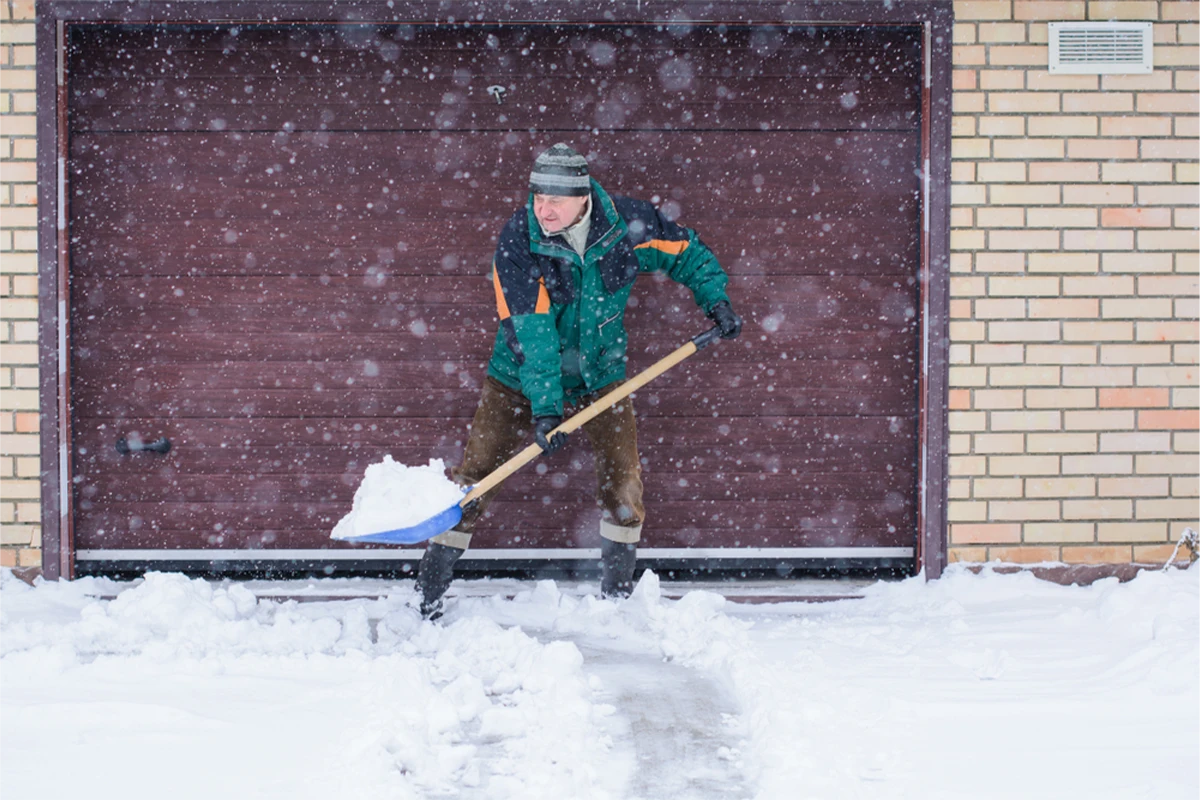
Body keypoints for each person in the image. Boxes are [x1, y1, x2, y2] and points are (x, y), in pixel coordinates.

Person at [414, 143, 742, 619]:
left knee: (624, 481)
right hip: (519, 376)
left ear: (582, 197)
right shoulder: (519, 240)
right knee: (475, 480)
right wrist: (545, 407)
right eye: (537, 198)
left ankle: (618, 600)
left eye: (555, 201)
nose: (543, 209)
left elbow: (684, 252)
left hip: (602, 374)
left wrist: (716, 301)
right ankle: (428, 594)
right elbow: (531, 330)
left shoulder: (624, 228)